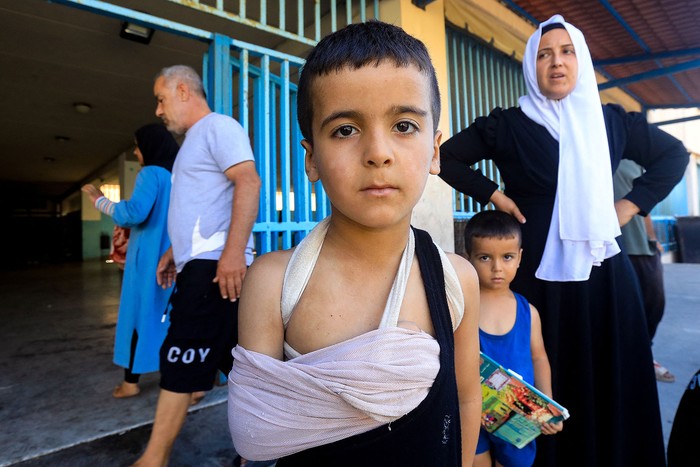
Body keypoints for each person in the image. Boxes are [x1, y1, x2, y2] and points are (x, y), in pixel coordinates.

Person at [227, 21, 482, 466]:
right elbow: (256, 442)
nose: (378, 152)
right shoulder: (274, 284)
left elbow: (464, 400)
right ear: (311, 159)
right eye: (345, 130)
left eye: (404, 125)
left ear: (435, 151)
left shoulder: (457, 281)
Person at [438, 14, 688, 467]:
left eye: (566, 51)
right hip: (536, 274)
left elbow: (672, 155)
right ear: (532, 65)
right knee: (540, 368)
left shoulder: (610, 122)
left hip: (603, 274)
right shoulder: (509, 124)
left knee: (610, 371)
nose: (556, 62)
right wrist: (497, 196)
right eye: (544, 53)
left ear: (581, 60)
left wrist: (628, 206)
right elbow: (448, 157)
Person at [132, 65, 261, 467]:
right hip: (202, 264)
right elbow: (201, 206)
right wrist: (175, 252)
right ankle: (262, 449)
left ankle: (153, 459)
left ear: (183, 90)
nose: (158, 110)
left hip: (214, 269)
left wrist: (232, 254)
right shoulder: (190, 144)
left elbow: (249, 181)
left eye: (161, 98)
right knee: (241, 367)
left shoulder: (218, 127)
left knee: (180, 359)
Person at [82, 123, 178, 399]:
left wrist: (100, 201)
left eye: (137, 146)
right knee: (171, 318)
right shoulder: (178, 176)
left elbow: (134, 214)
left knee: (138, 317)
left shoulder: (151, 174)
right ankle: (190, 384)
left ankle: (131, 382)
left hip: (147, 262)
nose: (136, 152)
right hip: (174, 258)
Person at [464, 210, 563, 467]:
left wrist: (546, 407)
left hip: (518, 415)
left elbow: (539, 358)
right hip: (472, 411)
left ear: (519, 258)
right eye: (485, 257)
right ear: (469, 258)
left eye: (507, 257)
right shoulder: (462, 308)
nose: (497, 268)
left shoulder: (528, 312)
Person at [613, 158, 675, 383]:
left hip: (642, 245)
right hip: (611, 248)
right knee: (621, 311)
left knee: (655, 303)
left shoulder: (634, 158)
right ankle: (628, 360)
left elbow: (644, 203)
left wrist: (652, 238)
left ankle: (645, 354)